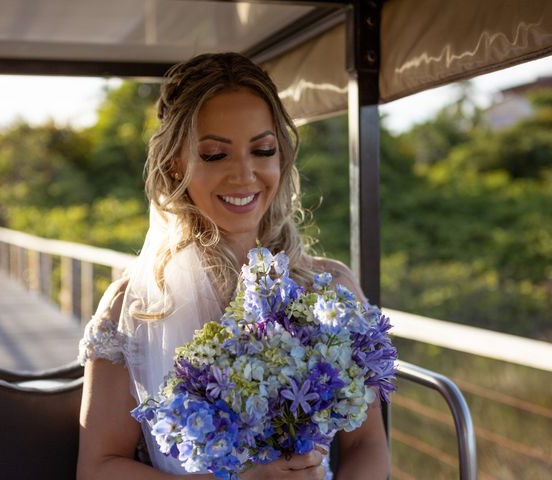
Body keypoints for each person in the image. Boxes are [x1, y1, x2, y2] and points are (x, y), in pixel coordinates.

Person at [76, 52, 389, 480]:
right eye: (214, 155)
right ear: (175, 164)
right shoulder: (131, 308)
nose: (244, 175)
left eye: (262, 150)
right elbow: (98, 469)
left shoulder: (331, 289)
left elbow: (367, 445)